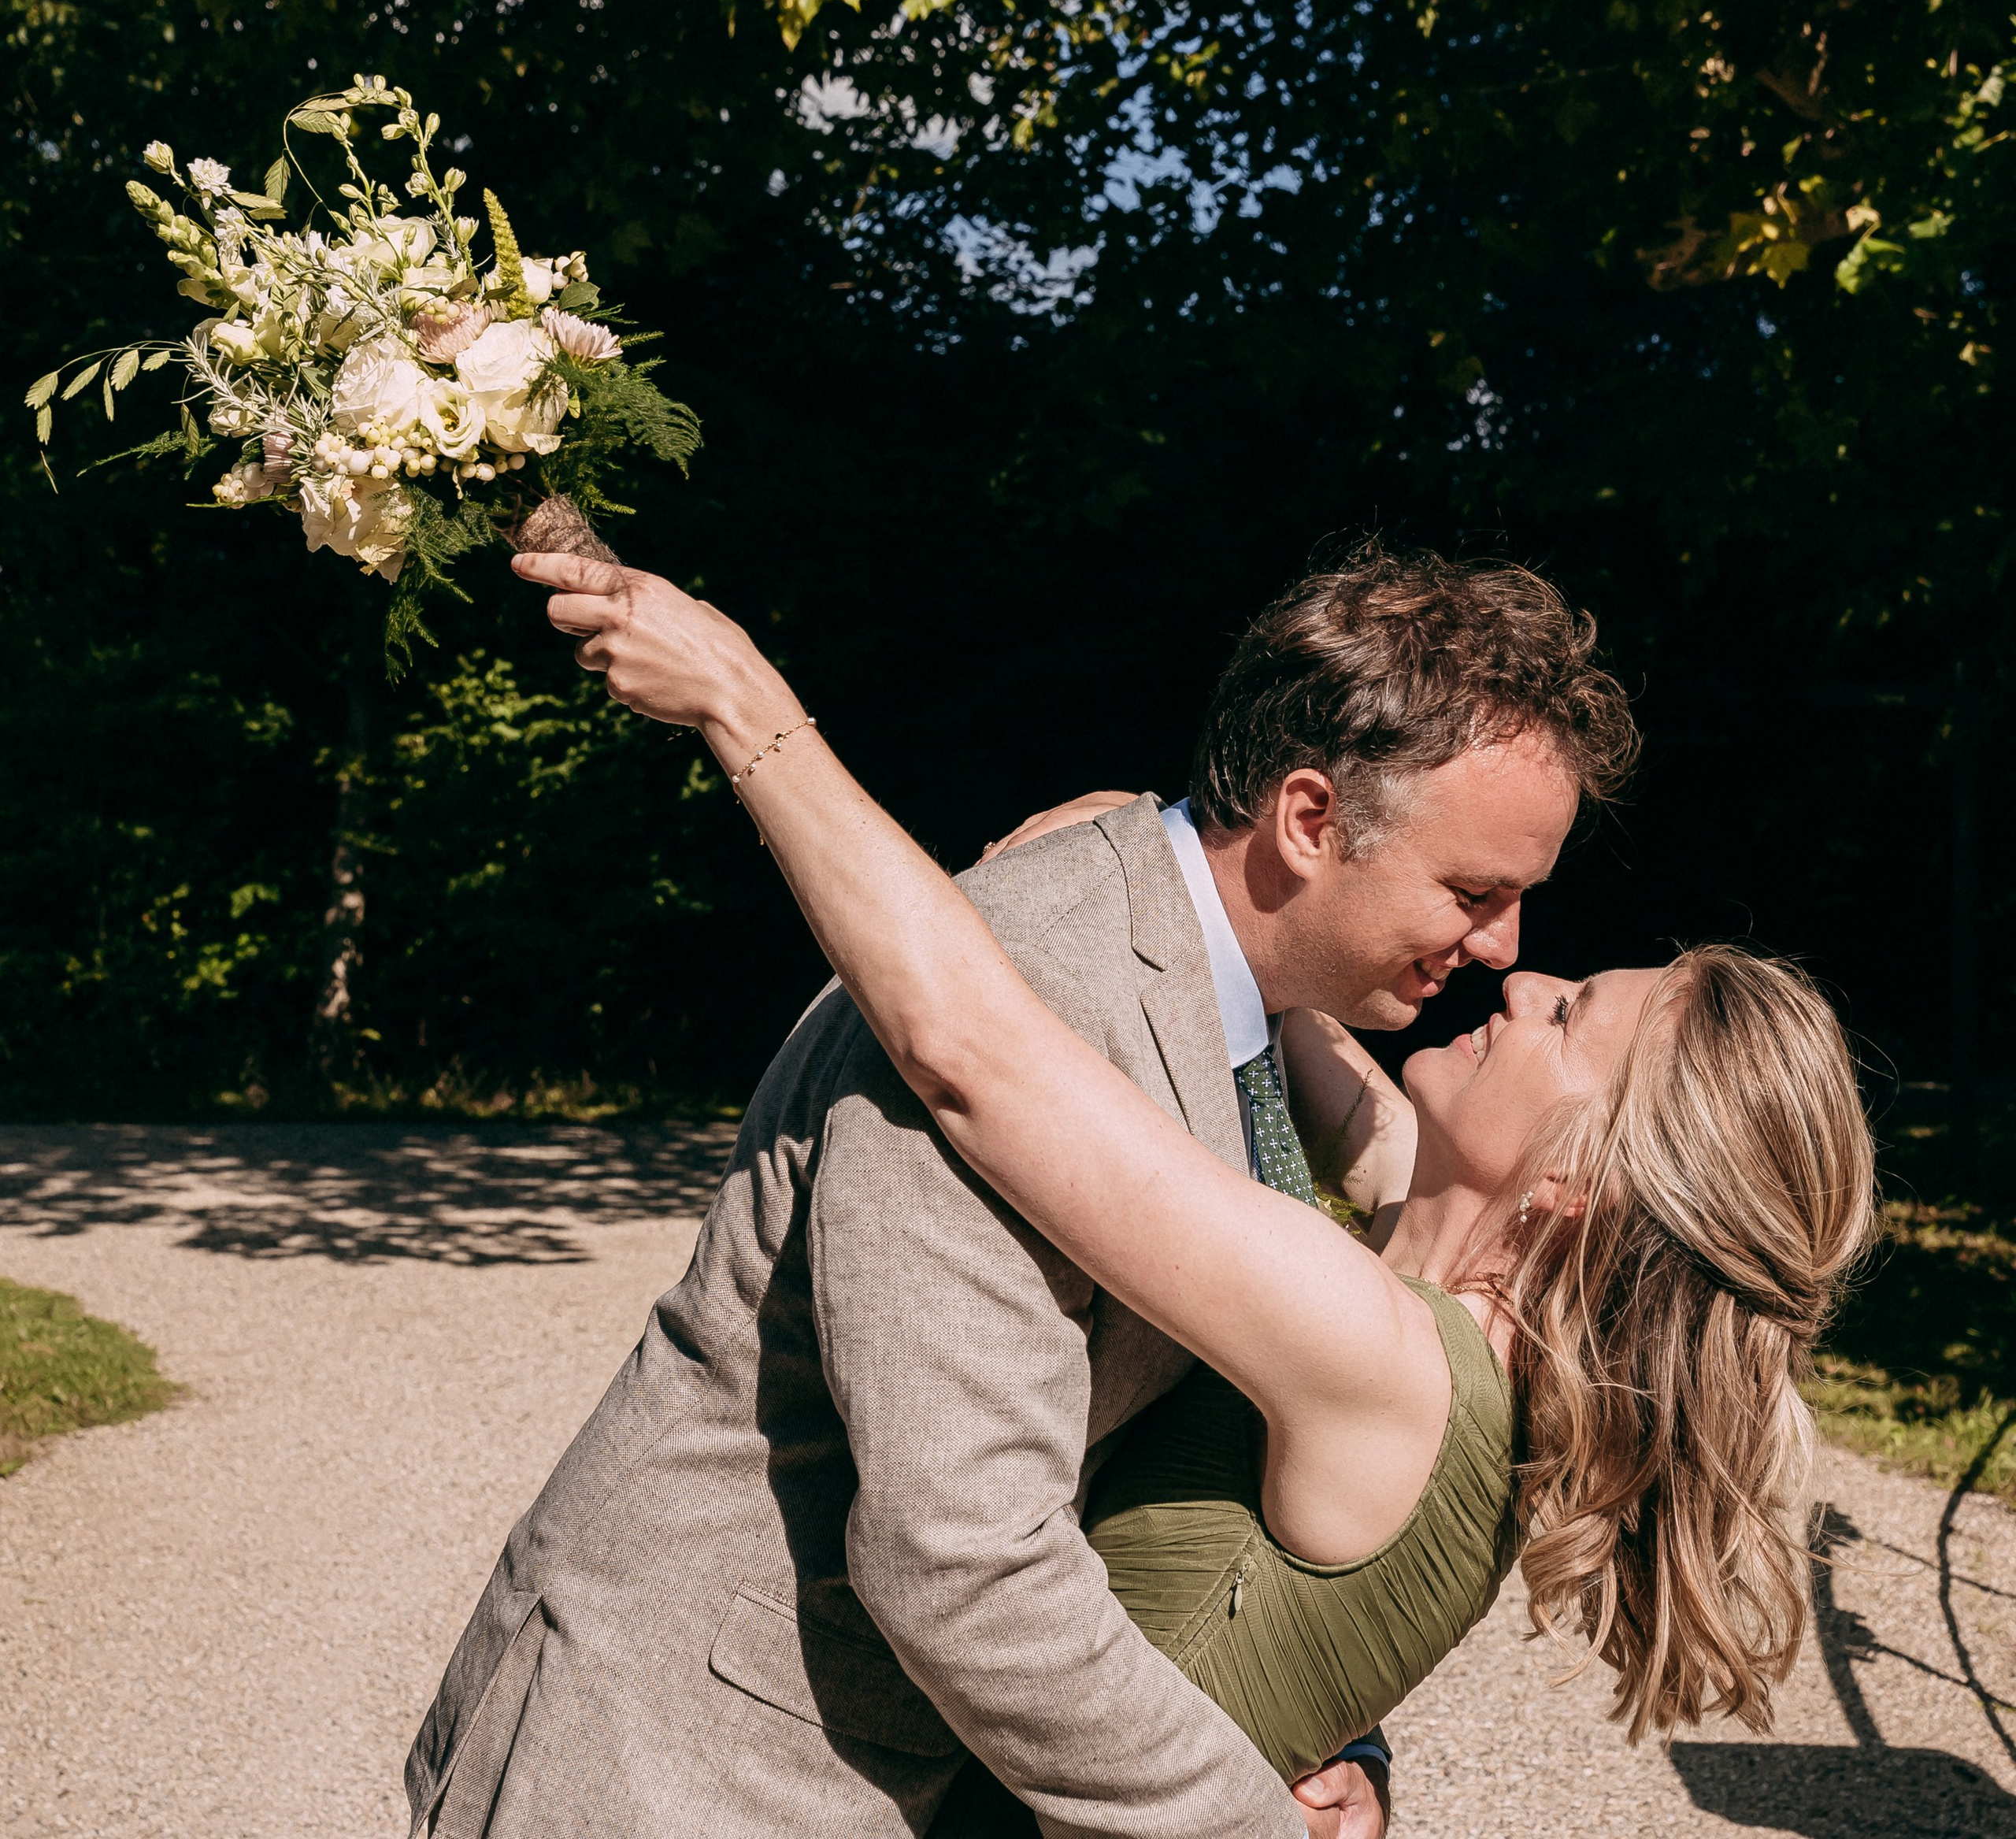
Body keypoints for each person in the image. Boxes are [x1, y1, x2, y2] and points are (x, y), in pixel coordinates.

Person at [520, 545, 1879, 1815]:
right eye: (1475, 890)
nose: (1519, 966)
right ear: (1308, 817)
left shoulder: (1382, 1343)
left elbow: (977, 1054)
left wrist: (745, 707)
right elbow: (1263, 1011)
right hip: (674, 1758)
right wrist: (1129, 836)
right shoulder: (1448, 1241)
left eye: (1571, 1013)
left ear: (1585, 1183)